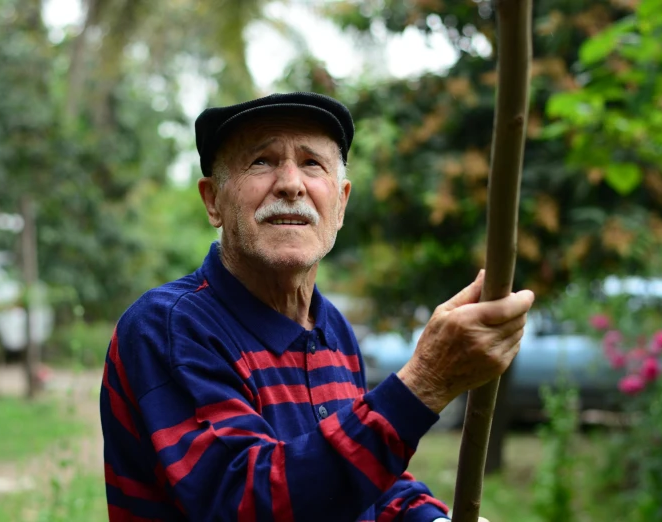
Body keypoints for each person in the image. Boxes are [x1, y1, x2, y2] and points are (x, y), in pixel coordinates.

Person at [100, 92, 533, 522]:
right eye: (261, 161)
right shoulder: (169, 327)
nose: (291, 183)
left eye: (312, 163)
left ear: (341, 203)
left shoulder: (333, 330)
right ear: (213, 200)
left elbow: (361, 477)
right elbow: (246, 502)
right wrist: (424, 383)